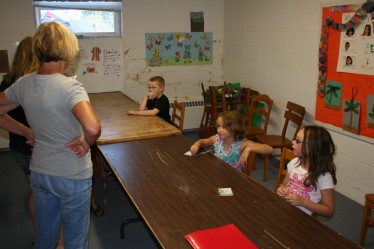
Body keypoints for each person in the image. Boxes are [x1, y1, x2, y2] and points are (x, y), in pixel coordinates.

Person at [0, 21, 101, 249]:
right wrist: (86, 142)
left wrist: (25, 131)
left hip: (41, 173)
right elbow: (93, 128)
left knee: (46, 236)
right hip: (72, 175)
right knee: (74, 241)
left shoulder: (24, 83)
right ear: (67, 50)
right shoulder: (70, 87)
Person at [0, 36, 38, 240]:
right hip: (33, 147)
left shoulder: (7, 80)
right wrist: (26, 131)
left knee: (36, 188)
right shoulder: (28, 84)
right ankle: (49, 238)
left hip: (19, 147)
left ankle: (43, 235)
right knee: (43, 195)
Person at [276, 125, 337, 217]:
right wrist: (281, 189)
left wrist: (303, 202)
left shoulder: (324, 176)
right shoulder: (294, 163)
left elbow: (329, 211)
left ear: (312, 147)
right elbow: (284, 185)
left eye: (298, 140)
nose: (292, 142)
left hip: (302, 219)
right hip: (285, 210)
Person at [190, 111, 273, 172]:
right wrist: (197, 144)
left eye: (224, 127)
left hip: (233, 180)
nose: (219, 130)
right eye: (218, 126)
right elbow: (203, 141)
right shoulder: (216, 139)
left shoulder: (242, 144)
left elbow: (269, 149)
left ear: (235, 128)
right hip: (217, 173)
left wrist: (249, 149)